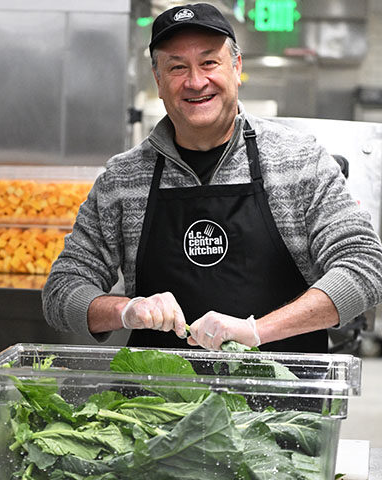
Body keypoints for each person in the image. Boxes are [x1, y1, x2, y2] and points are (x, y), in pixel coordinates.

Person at [42, 3, 382, 352]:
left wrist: (258, 331)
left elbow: (364, 266)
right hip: (159, 401)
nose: (195, 81)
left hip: (283, 398)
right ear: (158, 82)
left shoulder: (299, 161)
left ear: (236, 68)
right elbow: (62, 291)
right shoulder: (123, 179)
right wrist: (125, 310)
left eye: (209, 62)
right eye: (177, 67)